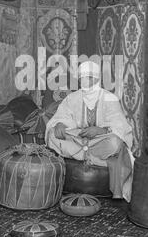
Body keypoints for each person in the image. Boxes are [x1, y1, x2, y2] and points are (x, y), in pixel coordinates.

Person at [45, 60, 134, 202]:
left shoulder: (110, 99)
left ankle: (87, 155)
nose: (85, 82)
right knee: (52, 136)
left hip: (100, 141)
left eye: (89, 78)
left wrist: (100, 130)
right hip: (79, 140)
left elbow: (120, 126)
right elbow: (63, 117)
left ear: (97, 78)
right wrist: (60, 124)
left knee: (114, 143)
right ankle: (94, 158)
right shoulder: (72, 98)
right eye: (82, 78)